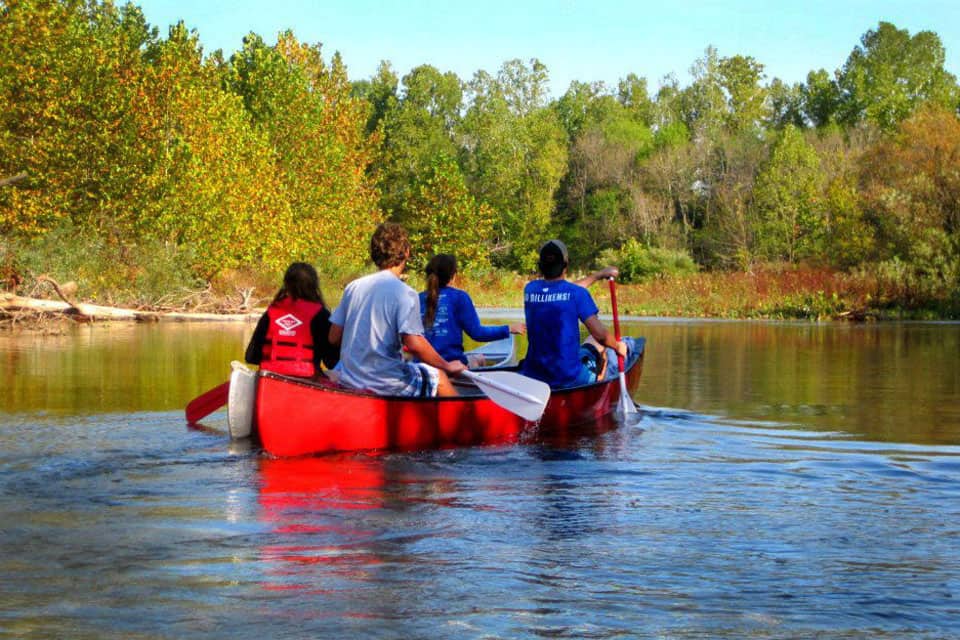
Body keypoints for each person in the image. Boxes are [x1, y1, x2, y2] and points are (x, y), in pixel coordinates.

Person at [328, 223, 467, 397]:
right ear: (406, 252)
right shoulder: (405, 293)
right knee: (438, 377)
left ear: (374, 253)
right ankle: (464, 421)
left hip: (350, 379)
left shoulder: (352, 287)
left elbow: (333, 337)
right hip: (387, 383)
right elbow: (414, 344)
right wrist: (447, 366)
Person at [520, 239, 635, 388]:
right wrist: (618, 347)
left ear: (540, 267)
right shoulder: (577, 294)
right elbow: (600, 335)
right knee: (607, 345)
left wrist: (598, 275)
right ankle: (600, 381)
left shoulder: (530, 289)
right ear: (565, 266)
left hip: (535, 375)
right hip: (569, 378)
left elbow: (562, 289)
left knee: (590, 342)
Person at [418, 253, 525, 368]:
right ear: (453, 276)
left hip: (421, 365)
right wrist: (509, 329)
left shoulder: (417, 298)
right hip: (452, 365)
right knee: (479, 358)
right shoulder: (459, 297)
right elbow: (478, 333)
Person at [245, 262, 340, 377]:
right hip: (307, 379)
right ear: (314, 286)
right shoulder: (321, 314)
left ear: (286, 285)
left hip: (270, 377)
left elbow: (251, 357)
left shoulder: (271, 313)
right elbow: (331, 361)